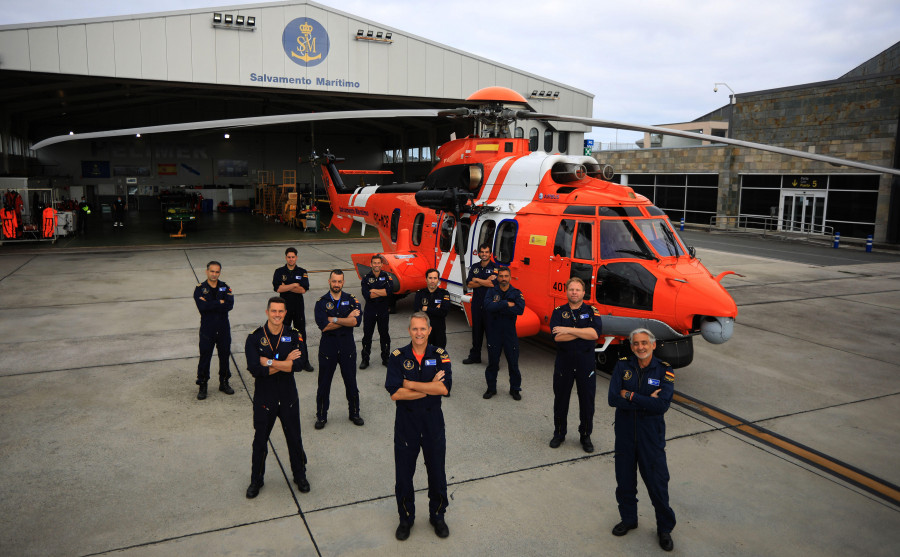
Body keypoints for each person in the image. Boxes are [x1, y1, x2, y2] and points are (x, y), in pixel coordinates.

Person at [385, 312, 452, 541]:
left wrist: (410, 384)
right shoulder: (397, 356)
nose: (419, 333)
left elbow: (444, 389)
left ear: (429, 330)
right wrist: (429, 386)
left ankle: (438, 515)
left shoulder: (440, 355)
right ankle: (406, 518)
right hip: (407, 424)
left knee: (437, 473)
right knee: (404, 475)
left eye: (423, 329)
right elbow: (395, 393)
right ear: (409, 331)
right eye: (415, 329)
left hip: (433, 423)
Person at [608, 328, 676, 552]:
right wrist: (645, 400)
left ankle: (664, 529)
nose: (640, 347)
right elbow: (612, 398)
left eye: (644, 343)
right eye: (636, 343)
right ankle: (629, 519)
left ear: (653, 345)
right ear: (631, 345)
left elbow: (661, 406)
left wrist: (630, 395)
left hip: (651, 438)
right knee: (625, 482)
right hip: (625, 435)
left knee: (657, 485)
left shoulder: (665, 371)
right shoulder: (622, 366)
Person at [244, 297, 310, 498]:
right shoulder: (254, 338)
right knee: (260, 441)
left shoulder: (294, 335)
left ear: (285, 313)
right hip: (265, 398)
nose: (277, 315)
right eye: (274, 311)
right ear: (267, 312)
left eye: (281, 311)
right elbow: (255, 369)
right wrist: (284, 363)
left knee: (294, 439)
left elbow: (299, 365)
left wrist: (269, 362)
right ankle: (256, 480)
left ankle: (300, 475)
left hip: (288, 396)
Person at [548, 277, 602, 452]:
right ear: (566, 292)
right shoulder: (558, 312)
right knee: (561, 400)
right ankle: (559, 433)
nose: (574, 292)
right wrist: (581, 332)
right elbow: (557, 337)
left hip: (585, 364)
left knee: (587, 402)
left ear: (583, 292)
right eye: (571, 289)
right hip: (564, 363)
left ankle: (585, 436)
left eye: (577, 290)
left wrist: (569, 330)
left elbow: (594, 334)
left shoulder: (592, 311)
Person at [313, 269, 363, 429]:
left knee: (351, 382)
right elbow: (324, 327)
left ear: (343, 282)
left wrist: (334, 319)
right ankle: (321, 416)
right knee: (324, 385)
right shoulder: (321, 302)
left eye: (339, 281)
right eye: (334, 281)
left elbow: (356, 322)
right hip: (328, 347)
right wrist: (346, 319)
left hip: (347, 346)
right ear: (329, 281)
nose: (336, 284)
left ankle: (354, 413)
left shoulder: (352, 300)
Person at [192, 261, 235, 400]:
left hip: (223, 328)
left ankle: (224, 382)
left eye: (217, 272)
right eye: (212, 271)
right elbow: (202, 307)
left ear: (219, 273)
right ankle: (203, 385)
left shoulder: (225, 287)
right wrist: (219, 303)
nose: (214, 274)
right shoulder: (200, 289)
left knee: (224, 356)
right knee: (205, 357)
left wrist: (210, 304)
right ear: (207, 271)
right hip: (207, 329)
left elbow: (229, 305)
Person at [482, 267, 524, 400]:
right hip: (494, 333)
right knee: (493, 363)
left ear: (510, 277)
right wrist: (506, 304)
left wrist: (499, 306)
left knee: (513, 363)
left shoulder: (516, 293)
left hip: (509, 334)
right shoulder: (491, 291)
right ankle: (491, 388)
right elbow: (488, 307)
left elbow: (520, 309)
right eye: (501, 276)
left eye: (506, 276)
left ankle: (515, 389)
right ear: (498, 277)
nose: (504, 278)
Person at [273, 247, 314, 372]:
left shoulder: (302, 271)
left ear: (296, 257)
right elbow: (278, 289)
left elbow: (303, 290)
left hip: (298, 308)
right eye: (289, 257)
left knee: (300, 334)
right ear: (286, 258)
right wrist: (295, 285)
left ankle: (304, 361)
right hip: (283, 309)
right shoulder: (279, 271)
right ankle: (282, 360)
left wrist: (287, 286)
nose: (291, 259)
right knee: (282, 334)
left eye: (293, 257)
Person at [462, 244, 498, 364]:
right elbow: (469, 284)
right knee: (476, 332)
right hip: (477, 304)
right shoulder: (475, 267)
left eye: (486, 252)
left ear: (490, 254)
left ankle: (493, 361)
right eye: (482, 252)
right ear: (479, 254)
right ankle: (475, 357)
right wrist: (485, 281)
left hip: (490, 305)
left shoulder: (495, 267)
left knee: (491, 334)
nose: (484, 254)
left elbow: (493, 284)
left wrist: (477, 280)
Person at [360, 254, 394, 369]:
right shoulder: (365, 278)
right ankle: (365, 359)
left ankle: (386, 358)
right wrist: (381, 291)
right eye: (374, 263)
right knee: (367, 336)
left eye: (378, 263)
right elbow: (367, 295)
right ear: (371, 264)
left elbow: (389, 292)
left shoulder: (387, 276)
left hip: (383, 311)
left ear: (382, 264)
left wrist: (374, 290)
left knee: (384, 335)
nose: (376, 265)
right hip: (370, 311)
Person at [413, 268, 450, 349]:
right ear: (426, 279)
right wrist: (436, 310)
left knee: (439, 355)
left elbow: (444, 312)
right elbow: (417, 312)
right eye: (430, 278)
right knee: (423, 355)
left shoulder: (444, 293)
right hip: (424, 331)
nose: (432, 281)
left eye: (435, 278)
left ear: (438, 280)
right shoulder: (420, 293)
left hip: (439, 330)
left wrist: (427, 309)